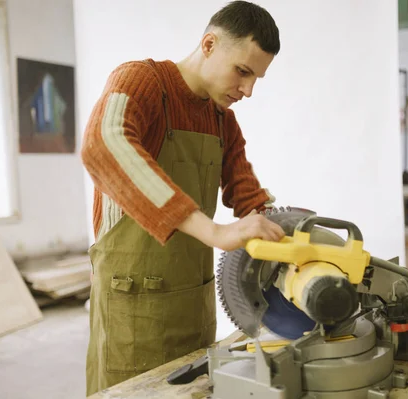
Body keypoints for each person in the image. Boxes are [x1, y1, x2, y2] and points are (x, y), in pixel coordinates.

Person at [80, 1, 285, 395]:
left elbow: (246, 193)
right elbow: (102, 142)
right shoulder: (140, 82)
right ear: (209, 44)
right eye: (242, 71)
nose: (248, 90)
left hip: (194, 304)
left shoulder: (222, 119)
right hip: (132, 308)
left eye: (257, 78)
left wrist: (283, 237)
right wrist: (213, 231)